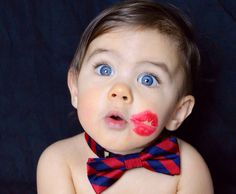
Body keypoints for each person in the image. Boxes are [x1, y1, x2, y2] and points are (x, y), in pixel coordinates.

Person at [36, 0, 213, 193]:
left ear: (177, 112)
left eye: (147, 79)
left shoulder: (188, 167)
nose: (120, 91)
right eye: (105, 69)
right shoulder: (59, 162)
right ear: (75, 88)